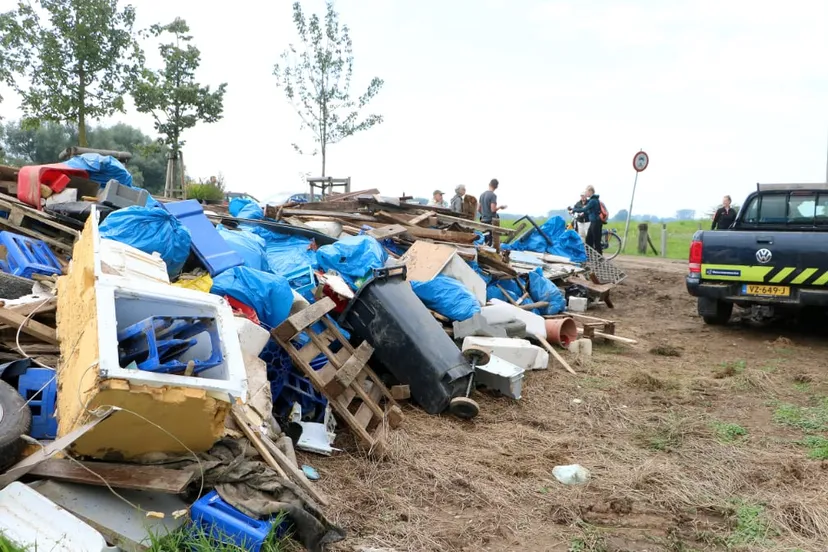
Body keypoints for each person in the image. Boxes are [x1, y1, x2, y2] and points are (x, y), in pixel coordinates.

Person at [570, 185, 603, 254]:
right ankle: (589, 256)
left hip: (596, 222)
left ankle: (600, 258)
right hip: (593, 222)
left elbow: (584, 209)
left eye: (586, 192)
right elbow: (588, 211)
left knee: (596, 241)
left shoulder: (593, 201)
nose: (585, 193)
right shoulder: (592, 200)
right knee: (588, 240)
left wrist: (573, 209)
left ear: (590, 191)